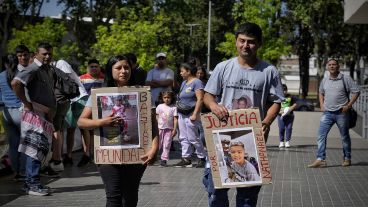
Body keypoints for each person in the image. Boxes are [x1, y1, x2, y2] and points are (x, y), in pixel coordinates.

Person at [202, 22, 284, 207]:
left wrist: (266, 121)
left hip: (252, 141)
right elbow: (208, 96)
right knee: (216, 192)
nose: (246, 46)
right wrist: (214, 106)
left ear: (259, 44)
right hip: (221, 138)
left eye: (251, 42)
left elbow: (277, 101)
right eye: (242, 41)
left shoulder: (269, 71)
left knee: (247, 197)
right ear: (236, 42)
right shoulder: (223, 67)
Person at [77, 55, 158, 207]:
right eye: (118, 68)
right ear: (110, 70)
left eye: (126, 67)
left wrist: (154, 148)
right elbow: (81, 122)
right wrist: (102, 122)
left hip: (137, 153)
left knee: (130, 197)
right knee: (113, 197)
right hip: (107, 153)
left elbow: (153, 125)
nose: (123, 71)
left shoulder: (144, 94)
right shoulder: (98, 94)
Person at [12, 42, 57, 196]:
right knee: (34, 149)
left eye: (50, 53)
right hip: (34, 116)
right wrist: (27, 103)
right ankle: (33, 184)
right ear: (36, 54)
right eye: (44, 53)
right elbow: (16, 84)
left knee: (38, 149)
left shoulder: (46, 69)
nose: (47, 56)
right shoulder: (33, 68)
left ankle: (30, 183)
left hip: (43, 115)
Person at [308, 59, 360, 168]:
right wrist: (322, 105)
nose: (332, 66)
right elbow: (321, 92)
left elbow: (356, 91)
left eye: (334, 64)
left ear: (338, 66)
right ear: (327, 67)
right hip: (327, 113)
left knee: (344, 136)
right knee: (321, 135)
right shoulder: (325, 80)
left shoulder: (345, 78)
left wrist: (348, 106)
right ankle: (320, 159)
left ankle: (347, 158)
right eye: (330, 65)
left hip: (342, 113)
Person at [0, 50, 29, 181]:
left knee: (13, 145)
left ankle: (15, 171)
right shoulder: (21, 74)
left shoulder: (0, 76)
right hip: (20, 112)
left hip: (6, 113)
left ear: (5, 63)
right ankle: (23, 172)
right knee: (25, 144)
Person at [174, 63, 206, 168]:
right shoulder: (184, 83)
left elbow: (200, 99)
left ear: (188, 71)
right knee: (183, 137)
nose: (180, 73)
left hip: (191, 113)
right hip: (182, 113)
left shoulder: (197, 82)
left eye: (182, 71)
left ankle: (202, 157)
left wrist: (195, 114)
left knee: (193, 137)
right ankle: (186, 158)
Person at [78, 58, 105, 167]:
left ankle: (94, 154)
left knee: (96, 131)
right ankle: (86, 153)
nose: (94, 68)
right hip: (85, 108)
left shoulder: (105, 78)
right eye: (91, 66)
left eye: (96, 66)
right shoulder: (81, 79)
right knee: (85, 130)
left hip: (100, 108)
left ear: (99, 67)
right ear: (87, 68)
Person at [62, 61, 89, 167]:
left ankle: (87, 154)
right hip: (70, 99)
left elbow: (67, 80)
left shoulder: (60, 63)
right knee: (70, 128)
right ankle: (68, 156)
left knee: (83, 126)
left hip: (79, 98)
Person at [156, 90, 178, 167]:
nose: (167, 99)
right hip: (160, 128)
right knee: (158, 143)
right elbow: (157, 116)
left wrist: (174, 129)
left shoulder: (174, 108)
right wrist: (156, 127)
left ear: (171, 98)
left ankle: (164, 159)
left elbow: (175, 119)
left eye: (168, 97)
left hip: (169, 129)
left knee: (167, 144)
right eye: (165, 97)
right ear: (162, 98)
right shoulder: (159, 106)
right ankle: (154, 157)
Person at [277, 84, 297, 148]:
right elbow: (275, 107)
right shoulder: (278, 97)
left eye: (285, 90)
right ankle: (281, 141)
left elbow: (295, 104)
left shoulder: (290, 97)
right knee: (281, 128)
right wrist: (280, 112)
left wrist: (290, 109)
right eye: (283, 90)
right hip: (280, 116)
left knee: (289, 128)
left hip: (290, 116)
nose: (284, 92)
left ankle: (287, 141)